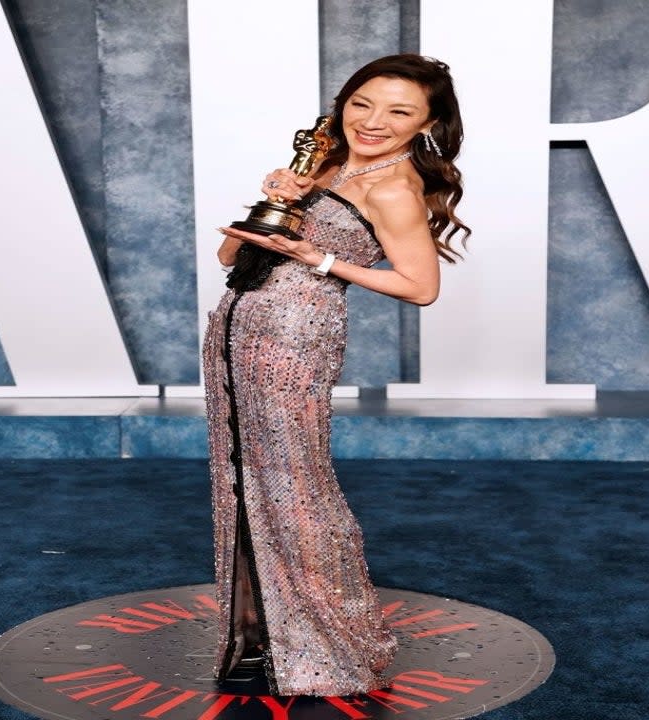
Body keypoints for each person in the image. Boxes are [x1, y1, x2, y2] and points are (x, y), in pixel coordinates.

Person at [202, 53, 470, 697]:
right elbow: (227, 253)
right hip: (236, 328)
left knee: (296, 487)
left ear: (427, 124)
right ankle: (257, 633)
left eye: (400, 111)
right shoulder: (322, 162)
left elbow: (420, 286)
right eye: (362, 103)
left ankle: (327, 644)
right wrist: (277, 201)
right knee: (240, 478)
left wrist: (317, 255)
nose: (374, 121)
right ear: (343, 101)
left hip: (295, 341)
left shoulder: (393, 188)